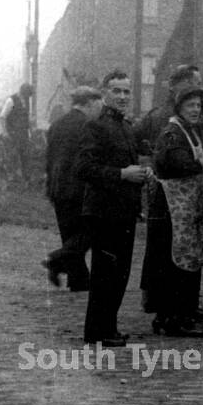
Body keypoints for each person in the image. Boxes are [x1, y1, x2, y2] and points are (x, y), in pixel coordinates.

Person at [75, 70, 152, 346]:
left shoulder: (126, 128)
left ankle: (109, 327)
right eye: (116, 91)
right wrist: (122, 174)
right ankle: (97, 332)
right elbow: (83, 168)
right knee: (105, 273)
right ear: (104, 93)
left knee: (119, 274)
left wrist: (139, 176)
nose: (122, 96)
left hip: (124, 211)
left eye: (126, 91)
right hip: (103, 212)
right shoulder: (95, 126)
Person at [136, 64, 203, 323]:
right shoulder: (168, 120)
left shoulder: (189, 118)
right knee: (170, 255)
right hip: (171, 199)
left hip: (185, 199)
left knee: (179, 253)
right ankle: (170, 311)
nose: (197, 99)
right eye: (195, 83)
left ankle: (181, 306)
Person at [150, 83, 203, 337]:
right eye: (190, 105)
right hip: (173, 207)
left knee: (186, 260)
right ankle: (171, 318)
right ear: (179, 107)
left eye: (198, 105)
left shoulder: (190, 131)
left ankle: (180, 313)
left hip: (188, 207)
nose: (195, 110)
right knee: (173, 263)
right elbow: (183, 165)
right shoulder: (173, 132)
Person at [41, 85, 103, 291]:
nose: (100, 108)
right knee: (91, 231)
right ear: (89, 103)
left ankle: (79, 281)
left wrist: (50, 185)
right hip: (80, 186)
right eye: (98, 104)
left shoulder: (57, 124)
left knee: (69, 233)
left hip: (58, 186)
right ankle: (56, 260)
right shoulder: (90, 125)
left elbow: (49, 158)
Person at [0, 82, 34, 180]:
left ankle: (26, 178)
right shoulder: (11, 101)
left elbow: (27, 118)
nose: (27, 97)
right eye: (26, 95)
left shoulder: (26, 101)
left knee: (25, 156)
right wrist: (5, 132)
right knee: (13, 156)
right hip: (13, 134)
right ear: (22, 92)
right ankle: (13, 179)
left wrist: (31, 132)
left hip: (23, 134)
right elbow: (2, 117)